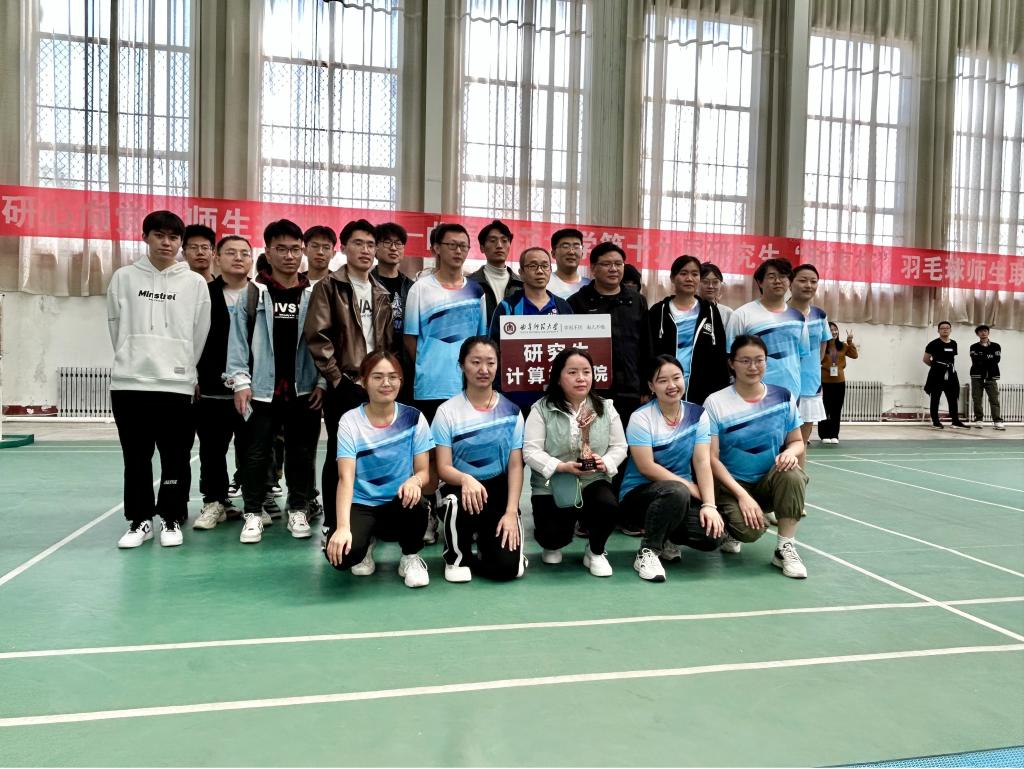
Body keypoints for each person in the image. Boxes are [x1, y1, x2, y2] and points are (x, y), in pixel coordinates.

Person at [108, 210, 211, 548]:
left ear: (180, 243)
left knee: (175, 456)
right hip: (129, 383)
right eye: (159, 236)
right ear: (145, 237)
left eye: (173, 237)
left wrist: (183, 366)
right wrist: (132, 356)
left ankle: (171, 517)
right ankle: (140, 520)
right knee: (136, 457)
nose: (166, 243)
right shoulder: (124, 278)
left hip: (176, 385)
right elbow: (115, 324)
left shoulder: (194, 283)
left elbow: (199, 332)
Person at [227, 219, 325, 545]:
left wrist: (322, 382)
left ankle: (298, 508)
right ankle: (253, 513)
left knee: (302, 454)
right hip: (261, 391)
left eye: (295, 249)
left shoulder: (314, 293)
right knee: (256, 455)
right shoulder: (253, 293)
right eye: (281, 249)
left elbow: (325, 342)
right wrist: (240, 382)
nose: (289, 256)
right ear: (267, 252)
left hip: (304, 390)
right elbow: (237, 342)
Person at [304, 219, 395, 536]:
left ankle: (371, 520)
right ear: (343, 248)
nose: (366, 250)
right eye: (358, 243)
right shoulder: (328, 287)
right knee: (339, 454)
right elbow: (317, 336)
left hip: (377, 386)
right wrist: (337, 379)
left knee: (376, 454)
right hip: (344, 384)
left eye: (370, 244)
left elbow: (386, 341)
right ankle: (333, 522)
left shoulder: (381, 292)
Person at [323, 351, 432, 588]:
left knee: (418, 502)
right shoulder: (350, 421)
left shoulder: (414, 418)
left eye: (393, 377)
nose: (386, 383)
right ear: (363, 381)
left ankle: (410, 556)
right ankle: (365, 544)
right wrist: (342, 528)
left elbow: (424, 472)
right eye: (377, 377)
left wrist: (414, 481)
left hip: (398, 504)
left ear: (401, 381)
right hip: (362, 504)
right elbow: (345, 478)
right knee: (342, 558)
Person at [704, 335, 809, 579]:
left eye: (759, 360)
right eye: (745, 361)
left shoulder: (782, 397)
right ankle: (731, 529)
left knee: (792, 473)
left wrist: (790, 453)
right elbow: (711, 458)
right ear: (732, 363)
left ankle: (785, 548)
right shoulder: (716, 402)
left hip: (767, 483)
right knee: (750, 531)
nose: (753, 367)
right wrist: (741, 495)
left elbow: (797, 441)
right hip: (731, 487)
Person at [619, 356, 725, 582]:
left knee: (713, 536)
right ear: (651, 386)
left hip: (680, 496)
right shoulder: (641, 418)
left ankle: (667, 537)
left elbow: (702, 462)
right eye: (662, 380)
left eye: (676, 378)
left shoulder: (698, 415)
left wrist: (709, 505)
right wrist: (688, 485)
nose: (671, 385)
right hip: (639, 496)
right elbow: (646, 467)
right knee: (676, 491)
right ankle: (648, 552)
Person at [523, 348, 627, 577]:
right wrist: (560, 466)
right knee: (552, 538)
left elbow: (620, 446)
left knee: (607, 506)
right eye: (572, 372)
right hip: (552, 483)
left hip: (592, 479)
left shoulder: (605, 407)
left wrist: (604, 461)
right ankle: (553, 542)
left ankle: (596, 551)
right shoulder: (541, 409)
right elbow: (530, 451)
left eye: (586, 372)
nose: (581, 378)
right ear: (558, 378)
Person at [433, 337, 526, 583]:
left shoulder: (512, 412)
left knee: (508, 570)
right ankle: (457, 557)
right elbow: (443, 467)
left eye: (490, 363)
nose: (483, 369)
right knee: (454, 503)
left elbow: (515, 465)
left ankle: (486, 544)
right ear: (462, 365)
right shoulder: (446, 412)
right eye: (475, 362)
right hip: (459, 487)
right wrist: (466, 479)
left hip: (496, 490)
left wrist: (511, 511)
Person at [193, 235, 253, 530]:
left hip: (253, 389)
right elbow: (190, 336)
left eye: (244, 253)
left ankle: (255, 504)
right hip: (212, 389)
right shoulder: (203, 294)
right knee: (212, 450)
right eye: (231, 252)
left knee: (253, 450)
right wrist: (192, 375)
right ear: (217, 258)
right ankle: (214, 502)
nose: (238, 258)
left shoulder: (260, 295)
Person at [404, 223, 487, 423]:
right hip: (430, 386)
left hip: (468, 386)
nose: (458, 251)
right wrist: (427, 364)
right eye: (452, 245)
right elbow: (409, 338)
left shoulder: (476, 291)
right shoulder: (420, 289)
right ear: (436, 248)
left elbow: (480, 340)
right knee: (431, 442)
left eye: (463, 246)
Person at [568, 242, 653, 428]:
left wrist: (646, 387)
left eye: (618, 264)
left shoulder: (637, 301)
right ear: (593, 268)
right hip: (591, 390)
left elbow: (646, 345)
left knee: (628, 440)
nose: (613, 269)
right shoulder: (577, 302)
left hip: (630, 389)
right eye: (606, 264)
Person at [488, 246, 574, 415]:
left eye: (545, 265)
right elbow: (493, 351)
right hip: (516, 398)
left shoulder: (563, 307)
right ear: (521, 272)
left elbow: (573, 352)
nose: (540, 271)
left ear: (550, 270)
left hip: (556, 397)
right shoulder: (508, 307)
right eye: (533, 266)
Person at [649, 255, 729, 405]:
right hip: (665, 389)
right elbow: (648, 351)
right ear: (673, 278)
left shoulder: (710, 312)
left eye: (695, 274)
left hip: (702, 392)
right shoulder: (658, 311)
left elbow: (719, 354)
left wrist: (722, 390)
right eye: (683, 273)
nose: (689, 278)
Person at [726, 258, 807, 404]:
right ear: (760, 282)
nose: (778, 281)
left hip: (791, 393)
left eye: (783, 276)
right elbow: (729, 355)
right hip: (751, 394)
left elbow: (800, 356)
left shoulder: (798, 317)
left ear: (789, 282)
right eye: (771, 276)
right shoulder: (742, 315)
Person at [787, 264, 829, 463]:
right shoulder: (779, 313)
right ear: (790, 283)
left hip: (810, 386)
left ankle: (798, 479)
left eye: (813, 281)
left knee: (800, 443)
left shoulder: (820, 315)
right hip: (783, 385)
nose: (808, 285)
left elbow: (822, 348)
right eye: (802, 280)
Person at [468, 219, 523, 321]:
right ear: (482, 248)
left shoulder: (522, 284)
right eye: (493, 241)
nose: (499, 246)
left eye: (504, 241)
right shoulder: (470, 283)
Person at [818, 322, 858, 444]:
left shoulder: (843, 346)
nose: (834, 332)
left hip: (839, 382)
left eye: (835, 330)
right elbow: (817, 360)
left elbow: (854, 355)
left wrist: (850, 342)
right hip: (825, 382)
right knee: (825, 408)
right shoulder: (822, 346)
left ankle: (834, 434)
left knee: (836, 409)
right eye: (831, 330)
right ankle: (824, 434)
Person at [923, 321, 967, 429]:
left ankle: (955, 421)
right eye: (942, 328)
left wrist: (947, 368)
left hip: (951, 373)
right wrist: (937, 367)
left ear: (950, 330)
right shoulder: (933, 344)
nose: (945, 330)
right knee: (935, 398)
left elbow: (951, 358)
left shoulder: (953, 343)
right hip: (936, 374)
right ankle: (935, 422)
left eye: (947, 328)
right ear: (938, 330)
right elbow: (926, 359)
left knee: (953, 397)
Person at [970, 325, 1005, 430]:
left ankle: (997, 421)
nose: (983, 333)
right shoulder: (973, 346)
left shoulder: (996, 346)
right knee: (977, 399)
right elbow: (975, 360)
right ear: (977, 334)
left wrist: (982, 356)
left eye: (985, 331)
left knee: (994, 399)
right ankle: (979, 420)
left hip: (991, 376)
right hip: (977, 376)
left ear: (988, 332)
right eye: (981, 331)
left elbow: (996, 360)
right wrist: (988, 356)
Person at [547, 228, 590, 299]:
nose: (571, 252)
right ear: (553, 253)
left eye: (576, 247)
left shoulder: (590, 285)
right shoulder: (545, 283)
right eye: (565, 247)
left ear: (582, 253)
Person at [699, 262, 733, 329]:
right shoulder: (690, 311)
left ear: (721, 284)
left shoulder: (728, 313)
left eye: (715, 282)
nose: (710, 286)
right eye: (705, 282)